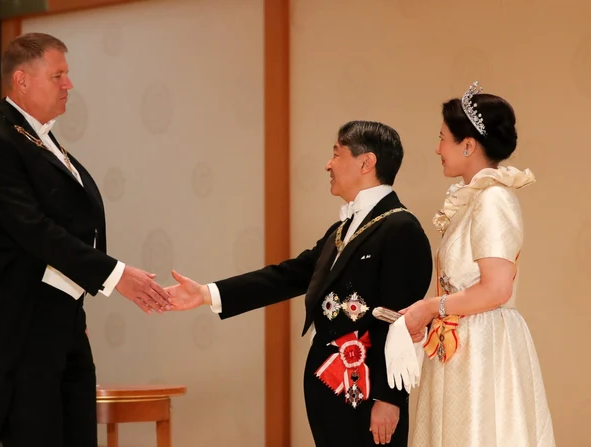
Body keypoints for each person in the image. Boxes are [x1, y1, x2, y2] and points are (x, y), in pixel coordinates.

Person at [0, 32, 171, 447]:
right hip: (22, 327)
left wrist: (73, 302)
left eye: (67, 75)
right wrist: (115, 275)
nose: (68, 85)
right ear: (21, 80)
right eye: (58, 75)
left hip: (61, 319)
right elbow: (33, 229)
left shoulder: (39, 138)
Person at [166, 121, 433, 446]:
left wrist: (389, 400)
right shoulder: (342, 228)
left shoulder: (401, 228)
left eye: (336, 154)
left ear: (366, 162)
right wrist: (207, 294)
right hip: (326, 386)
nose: (328, 164)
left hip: (367, 396)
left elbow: (401, 322)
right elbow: (288, 275)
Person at [401, 82, 555, 446]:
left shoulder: (493, 200)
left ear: (468, 145)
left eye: (443, 138)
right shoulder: (473, 200)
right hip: (459, 341)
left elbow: (497, 288)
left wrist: (429, 308)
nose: (438, 149)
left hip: (483, 345)